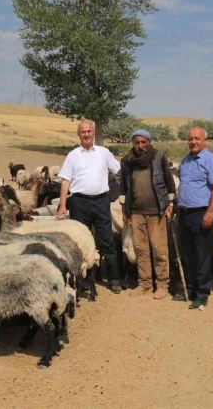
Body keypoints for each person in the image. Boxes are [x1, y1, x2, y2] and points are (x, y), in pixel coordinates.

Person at [56, 121, 122, 294]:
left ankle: (114, 279)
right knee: (78, 242)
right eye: (83, 132)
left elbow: (118, 170)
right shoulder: (73, 155)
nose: (86, 134)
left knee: (107, 240)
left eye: (89, 131)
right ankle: (81, 280)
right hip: (79, 202)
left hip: (101, 201)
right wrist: (62, 205)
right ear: (78, 134)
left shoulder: (104, 153)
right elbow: (65, 180)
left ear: (94, 133)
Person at [118, 129, 176, 300]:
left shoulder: (159, 158)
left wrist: (170, 204)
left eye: (144, 142)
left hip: (156, 211)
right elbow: (123, 187)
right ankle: (145, 283)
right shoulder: (127, 161)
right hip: (136, 212)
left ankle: (162, 284)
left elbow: (169, 182)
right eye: (137, 142)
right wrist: (124, 210)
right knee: (141, 249)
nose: (140, 145)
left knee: (159, 249)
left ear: (149, 142)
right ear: (133, 143)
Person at [174, 126, 213, 309]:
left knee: (202, 254)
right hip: (185, 213)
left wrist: (210, 212)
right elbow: (183, 186)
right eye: (190, 139)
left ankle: (202, 293)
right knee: (188, 253)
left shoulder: (212, 161)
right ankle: (191, 290)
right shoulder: (185, 161)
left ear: (205, 141)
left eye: (197, 138)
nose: (193, 142)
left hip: (202, 213)